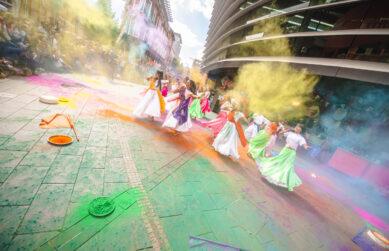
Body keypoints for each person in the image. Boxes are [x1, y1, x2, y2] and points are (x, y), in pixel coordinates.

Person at [256, 124, 309, 191]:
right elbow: (280, 133)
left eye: (300, 128)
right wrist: (284, 130)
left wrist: (306, 147)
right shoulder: (289, 133)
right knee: (279, 162)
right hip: (285, 150)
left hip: (291, 153)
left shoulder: (301, 138)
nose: (298, 128)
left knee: (287, 167)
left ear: (301, 130)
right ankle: (271, 174)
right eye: (297, 126)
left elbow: (304, 144)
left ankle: (284, 181)